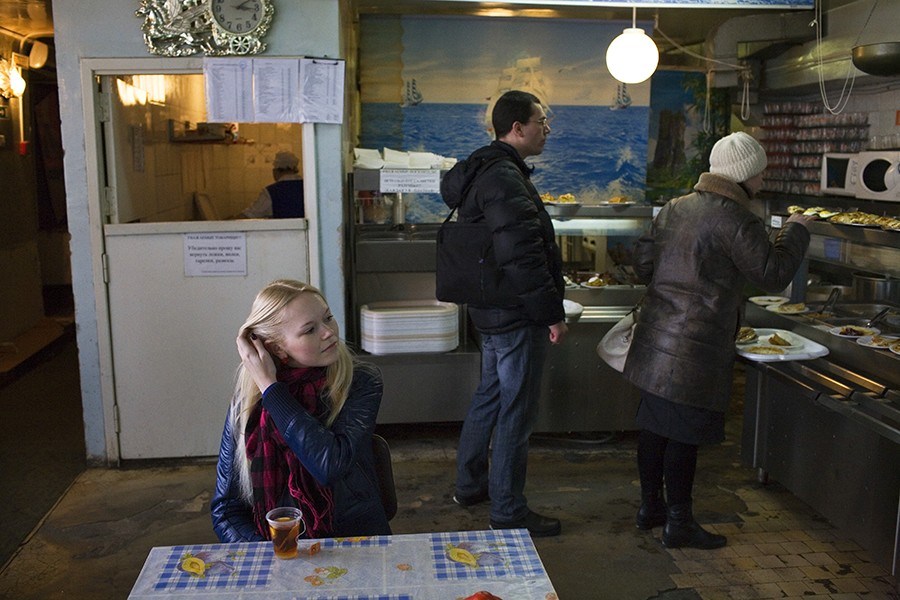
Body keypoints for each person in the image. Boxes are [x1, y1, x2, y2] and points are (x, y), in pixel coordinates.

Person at [623, 131, 815, 549]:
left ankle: (650, 508)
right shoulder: (735, 218)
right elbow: (772, 273)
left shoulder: (675, 207)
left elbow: (642, 262)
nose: (763, 180)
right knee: (683, 436)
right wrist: (795, 231)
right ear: (744, 175)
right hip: (694, 347)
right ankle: (679, 524)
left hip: (656, 337)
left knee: (655, 428)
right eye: (760, 172)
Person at [440, 90, 568, 537]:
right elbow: (523, 255)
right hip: (515, 315)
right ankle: (508, 510)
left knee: (491, 396)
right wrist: (551, 313)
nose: (546, 128)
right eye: (541, 121)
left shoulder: (483, 170)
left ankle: (470, 485)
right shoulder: (505, 178)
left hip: (490, 310)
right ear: (517, 128)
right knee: (516, 409)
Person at [211, 279, 391, 542]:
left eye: (328, 318)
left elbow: (329, 465)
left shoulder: (360, 381)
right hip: (276, 549)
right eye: (310, 330)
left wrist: (272, 390)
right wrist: (265, 556)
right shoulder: (247, 400)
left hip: (352, 540)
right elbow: (226, 510)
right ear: (275, 348)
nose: (329, 332)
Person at [241, 151, 304, 218]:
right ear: (295, 170)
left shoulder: (271, 192)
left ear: (275, 171)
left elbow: (251, 214)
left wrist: (231, 221)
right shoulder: (308, 187)